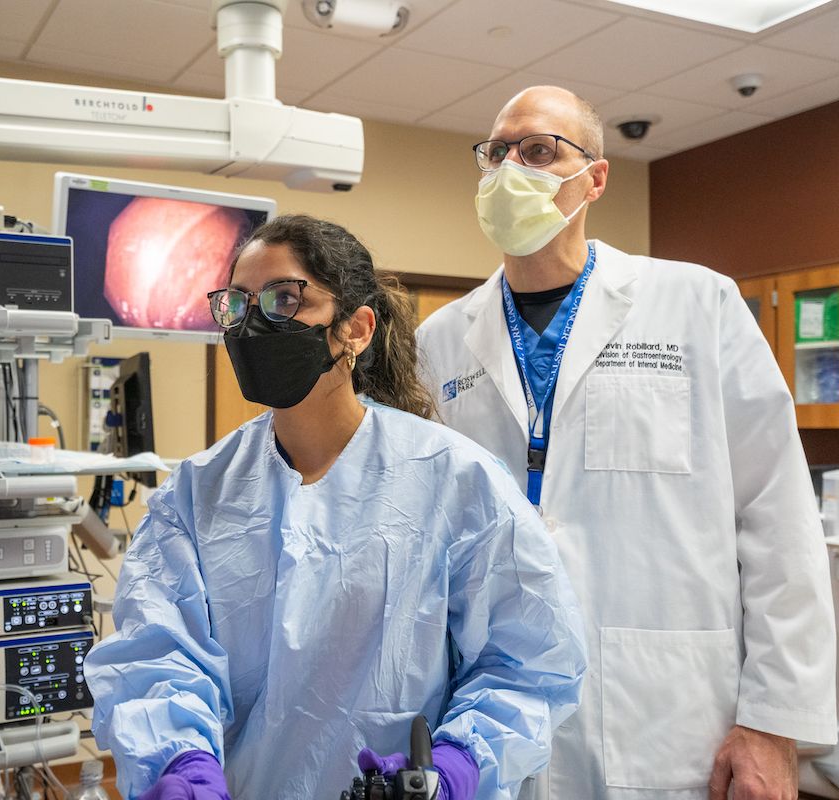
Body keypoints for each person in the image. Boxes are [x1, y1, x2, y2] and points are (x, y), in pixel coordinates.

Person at [416, 85, 837, 800]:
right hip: (493, 715)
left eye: (540, 151)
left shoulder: (697, 304)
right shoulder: (442, 341)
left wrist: (773, 724)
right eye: (497, 153)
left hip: (670, 719)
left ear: (596, 177)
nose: (511, 168)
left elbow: (778, 516)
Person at [84, 214, 587, 800]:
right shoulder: (196, 494)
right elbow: (158, 654)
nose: (252, 324)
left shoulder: (457, 480)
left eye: (282, 300)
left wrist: (458, 765)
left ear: (355, 328)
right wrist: (181, 766)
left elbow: (529, 660)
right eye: (237, 304)